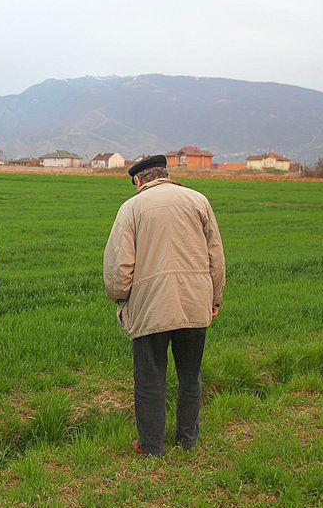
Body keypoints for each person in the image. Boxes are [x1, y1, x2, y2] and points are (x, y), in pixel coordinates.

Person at [103, 155, 225, 456]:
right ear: (165, 175)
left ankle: (151, 446)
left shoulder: (131, 208)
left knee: (150, 379)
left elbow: (120, 266)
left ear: (138, 180)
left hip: (150, 307)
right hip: (194, 304)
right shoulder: (198, 201)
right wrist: (214, 298)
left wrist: (120, 297)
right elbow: (216, 257)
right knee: (190, 376)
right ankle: (188, 440)